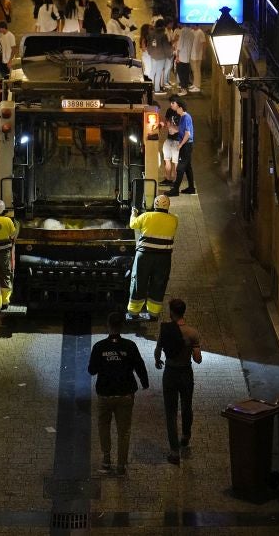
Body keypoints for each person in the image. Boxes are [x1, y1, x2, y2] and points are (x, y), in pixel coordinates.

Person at [87, 311, 149, 476]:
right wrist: (144, 382)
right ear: (122, 325)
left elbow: (92, 370)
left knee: (104, 426)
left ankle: (106, 460)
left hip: (105, 394)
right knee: (124, 431)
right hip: (125, 394)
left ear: (108, 325)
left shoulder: (99, 347)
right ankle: (121, 465)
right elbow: (140, 365)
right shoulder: (130, 346)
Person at [154, 298, 202, 465]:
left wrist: (157, 360)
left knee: (171, 412)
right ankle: (186, 436)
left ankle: (174, 452)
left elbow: (158, 350)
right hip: (186, 373)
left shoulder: (166, 330)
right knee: (187, 406)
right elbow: (197, 359)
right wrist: (195, 353)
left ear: (172, 312)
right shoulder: (192, 332)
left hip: (170, 372)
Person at [127, 194, 179, 319]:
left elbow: (132, 225)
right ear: (168, 206)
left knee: (139, 281)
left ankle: (133, 312)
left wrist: (133, 213)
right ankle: (153, 313)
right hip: (163, 258)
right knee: (159, 283)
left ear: (154, 204)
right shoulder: (174, 219)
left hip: (144, 256)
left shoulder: (146, 216)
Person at [166, 95, 195, 196]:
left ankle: (175, 190)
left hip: (186, 145)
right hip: (186, 145)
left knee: (180, 168)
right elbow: (181, 129)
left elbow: (188, 134)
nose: (171, 105)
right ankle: (191, 188)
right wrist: (175, 130)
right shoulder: (182, 117)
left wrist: (180, 145)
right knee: (188, 168)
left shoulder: (186, 117)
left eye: (173, 104)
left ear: (180, 107)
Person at [159, 105, 180, 187]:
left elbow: (183, 127)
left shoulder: (180, 112)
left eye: (173, 103)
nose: (171, 104)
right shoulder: (169, 110)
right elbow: (166, 122)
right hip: (169, 139)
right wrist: (163, 124)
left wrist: (175, 129)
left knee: (175, 161)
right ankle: (168, 179)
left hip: (177, 140)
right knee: (166, 159)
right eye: (171, 102)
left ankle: (176, 180)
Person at [175, 25, 193, 95]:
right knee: (186, 73)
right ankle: (185, 87)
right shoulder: (191, 32)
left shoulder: (182, 32)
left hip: (182, 56)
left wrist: (177, 56)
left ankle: (183, 89)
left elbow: (179, 45)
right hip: (187, 56)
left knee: (180, 73)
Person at [189, 24, 207, 92]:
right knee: (194, 70)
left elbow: (204, 43)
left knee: (197, 71)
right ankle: (194, 84)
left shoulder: (200, 32)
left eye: (192, 25)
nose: (191, 26)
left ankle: (197, 86)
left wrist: (204, 54)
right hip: (192, 54)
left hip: (197, 55)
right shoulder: (192, 31)